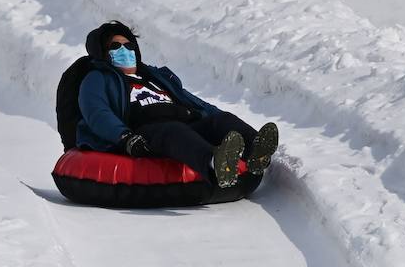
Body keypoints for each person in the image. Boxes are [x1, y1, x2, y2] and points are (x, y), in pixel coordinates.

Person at [75, 21, 278, 188]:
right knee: (174, 130)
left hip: (184, 120)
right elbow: (97, 112)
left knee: (221, 120)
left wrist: (216, 117)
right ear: (104, 53)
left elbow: (190, 99)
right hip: (145, 131)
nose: (124, 50)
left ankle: (256, 152)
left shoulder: (154, 76)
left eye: (129, 46)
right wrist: (125, 137)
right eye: (116, 46)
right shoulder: (98, 78)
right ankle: (215, 164)